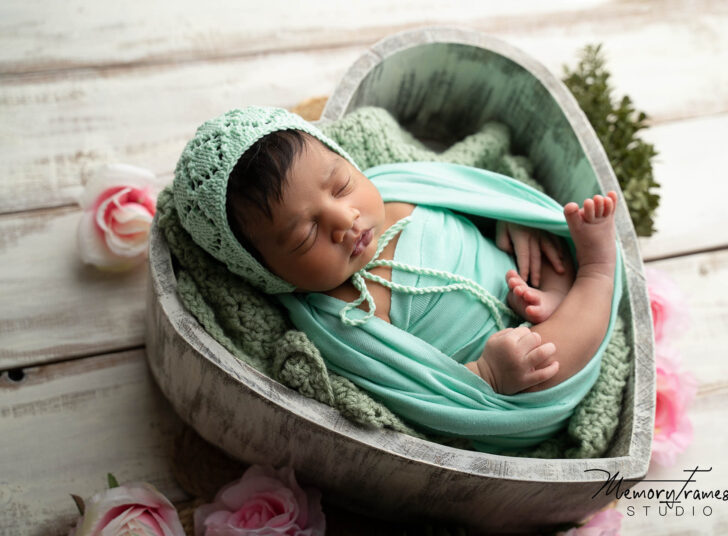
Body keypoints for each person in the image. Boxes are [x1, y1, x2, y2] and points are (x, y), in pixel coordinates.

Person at [173, 105, 624, 449]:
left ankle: (560, 291)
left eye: (340, 185)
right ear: (266, 274)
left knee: (547, 254)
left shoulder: (397, 187)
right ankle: (598, 274)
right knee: (547, 362)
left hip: (522, 280)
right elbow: (416, 399)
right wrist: (488, 374)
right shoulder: (340, 320)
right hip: (515, 385)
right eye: (305, 233)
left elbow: (471, 191)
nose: (343, 219)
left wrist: (509, 221)